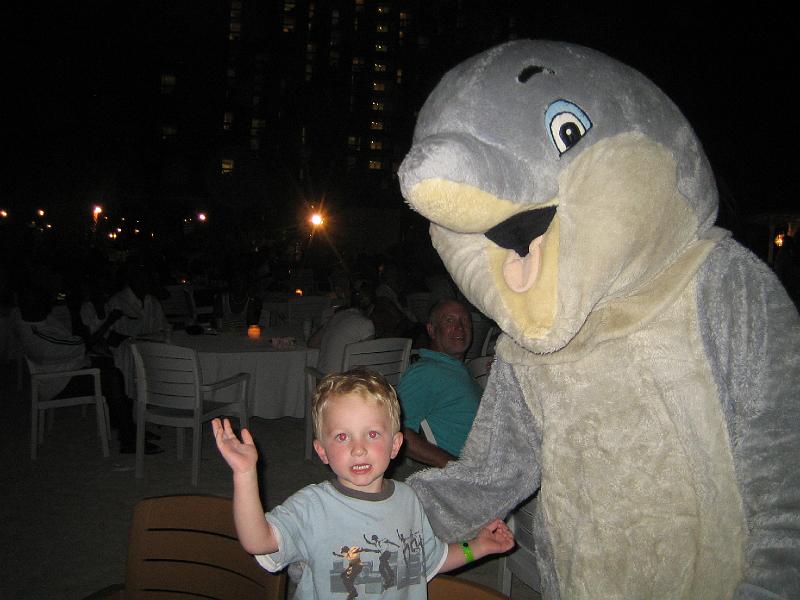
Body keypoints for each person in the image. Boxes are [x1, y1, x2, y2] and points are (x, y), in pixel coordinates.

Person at [212, 368, 513, 599]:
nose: (358, 448)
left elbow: (429, 559)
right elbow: (257, 541)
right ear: (322, 451)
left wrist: (478, 546)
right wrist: (244, 474)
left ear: (396, 445)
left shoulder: (408, 499)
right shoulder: (313, 507)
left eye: (372, 434)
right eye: (342, 436)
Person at [16, 285, 161, 454]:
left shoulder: (34, 320)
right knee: (112, 377)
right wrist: (75, 311)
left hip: (66, 368)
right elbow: (81, 342)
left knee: (113, 366)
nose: (50, 305)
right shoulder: (38, 334)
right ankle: (129, 438)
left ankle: (125, 424)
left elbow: (76, 341)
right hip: (57, 382)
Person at [397, 299, 481, 467]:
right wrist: (456, 468)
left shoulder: (456, 368)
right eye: (449, 320)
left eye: (465, 320)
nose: (460, 327)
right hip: (476, 473)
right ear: (432, 330)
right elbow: (398, 430)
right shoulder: (424, 373)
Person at [307, 280, 375, 374]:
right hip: (341, 383)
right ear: (371, 308)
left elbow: (312, 343)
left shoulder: (337, 316)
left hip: (322, 380)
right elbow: (367, 359)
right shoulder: (366, 323)